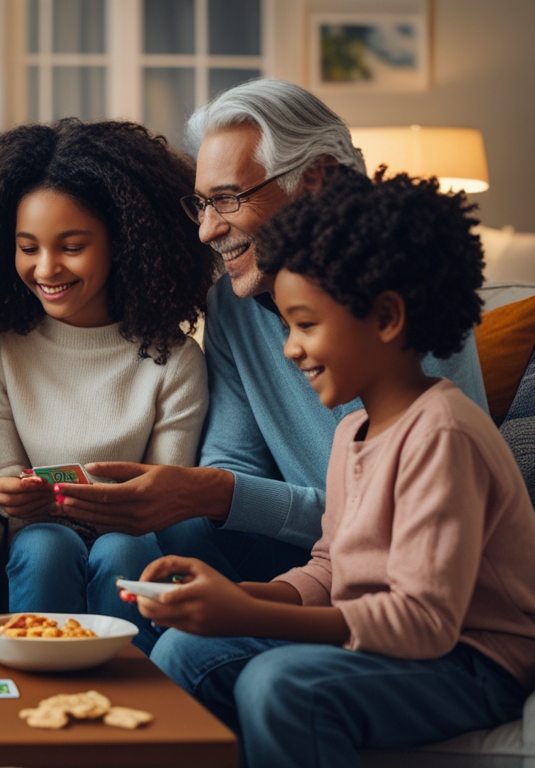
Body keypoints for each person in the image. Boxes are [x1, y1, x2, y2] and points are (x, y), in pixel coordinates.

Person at [56, 79, 489, 646]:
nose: (208, 229)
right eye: (202, 204)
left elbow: (402, 515)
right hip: (307, 563)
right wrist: (197, 492)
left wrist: (212, 493)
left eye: (229, 199)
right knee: (172, 537)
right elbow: (235, 467)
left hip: (395, 571)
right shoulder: (232, 308)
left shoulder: (409, 293)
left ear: (316, 180)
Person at [131, 170, 535, 768]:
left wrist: (248, 615)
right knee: (185, 651)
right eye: (288, 326)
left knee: (282, 686)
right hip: (390, 642)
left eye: (307, 324)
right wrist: (233, 597)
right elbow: (330, 568)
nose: (290, 348)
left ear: (388, 317)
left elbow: (423, 623)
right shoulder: (353, 432)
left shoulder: (444, 434)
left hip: (474, 660)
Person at [0, 119, 216, 619]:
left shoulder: (174, 360)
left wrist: (100, 507)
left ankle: (137, 692)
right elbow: (1, 475)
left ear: (124, 242)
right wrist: (7, 492)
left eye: (71, 247)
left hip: (134, 535)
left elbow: (163, 490)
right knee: (45, 548)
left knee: (122, 550)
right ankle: (34, 688)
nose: (46, 269)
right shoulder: (1, 350)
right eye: (28, 248)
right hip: (38, 538)